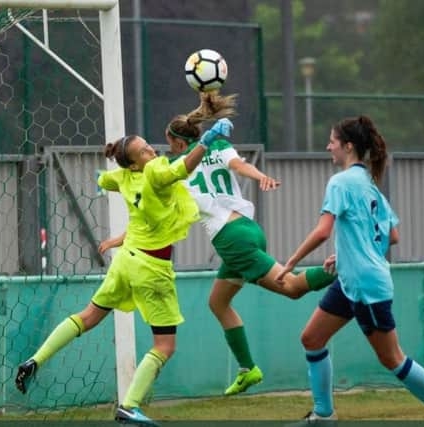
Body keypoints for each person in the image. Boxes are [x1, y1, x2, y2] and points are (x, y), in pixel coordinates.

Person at [100, 92, 336, 397]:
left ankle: (342, 270)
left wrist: (119, 234)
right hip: (248, 227)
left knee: (291, 287)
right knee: (218, 302)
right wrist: (261, 175)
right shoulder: (219, 146)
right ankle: (247, 369)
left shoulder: (171, 169)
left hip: (230, 239)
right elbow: (238, 166)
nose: (160, 148)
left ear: (178, 144)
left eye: (167, 142)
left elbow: (150, 218)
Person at [14, 119, 231, 427]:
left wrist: (115, 161)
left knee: (88, 316)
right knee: (165, 346)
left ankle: (34, 360)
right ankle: (129, 406)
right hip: (151, 268)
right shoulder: (154, 172)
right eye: (144, 151)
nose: (152, 151)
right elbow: (182, 169)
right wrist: (207, 139)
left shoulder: (123, 178)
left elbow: (102, 180)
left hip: (125, 261)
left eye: (148, 146)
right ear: (135, 164)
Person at [276, 115, 424, 425]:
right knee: (311, 338)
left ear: (348, 146)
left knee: (392, 358)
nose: (328, 147)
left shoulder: (341, 182)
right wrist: (344, 253)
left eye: (332, 142)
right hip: (351, 281)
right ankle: (323, 416)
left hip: (365, 286)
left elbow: (323, 231)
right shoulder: (369, 184)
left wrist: (292, 262)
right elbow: (391, 235)